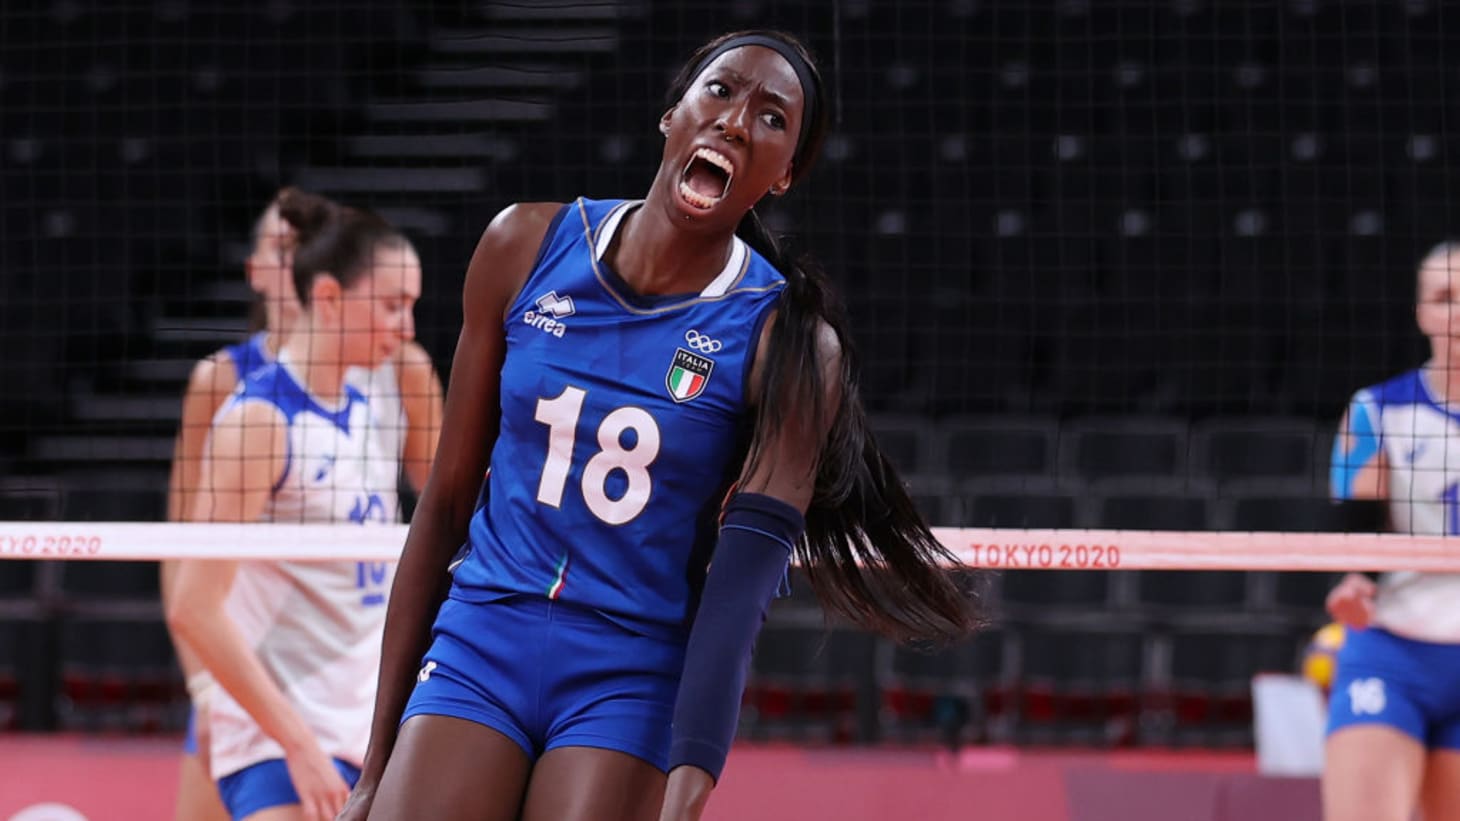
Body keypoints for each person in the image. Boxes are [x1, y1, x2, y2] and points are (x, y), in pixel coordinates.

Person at [336, 30, 981, 821]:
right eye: (721, 91)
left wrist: (686, 792)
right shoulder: (522, 246)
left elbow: (738, 592)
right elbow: (442, 505)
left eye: (772, 118)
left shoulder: (785, 341)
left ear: (785, 174)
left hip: (629, 670)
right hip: (483, 636)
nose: (736, 121)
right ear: (673, 113)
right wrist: (374, 768)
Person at [160, 192, 442, 821]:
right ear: (330, 298)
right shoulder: (258, 422)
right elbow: (192, 606)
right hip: (280, 740)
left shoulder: (368, 407)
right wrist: (296, 744)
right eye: (392, 305)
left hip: (360, 724)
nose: (406, 328)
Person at [1324, 240, 1460, 821]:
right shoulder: (1376, 410)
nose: (1459, 313)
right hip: (1393, 650)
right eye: (1445, 297)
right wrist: (1353, 583)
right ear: (1422, 313)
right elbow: (1359, 537)